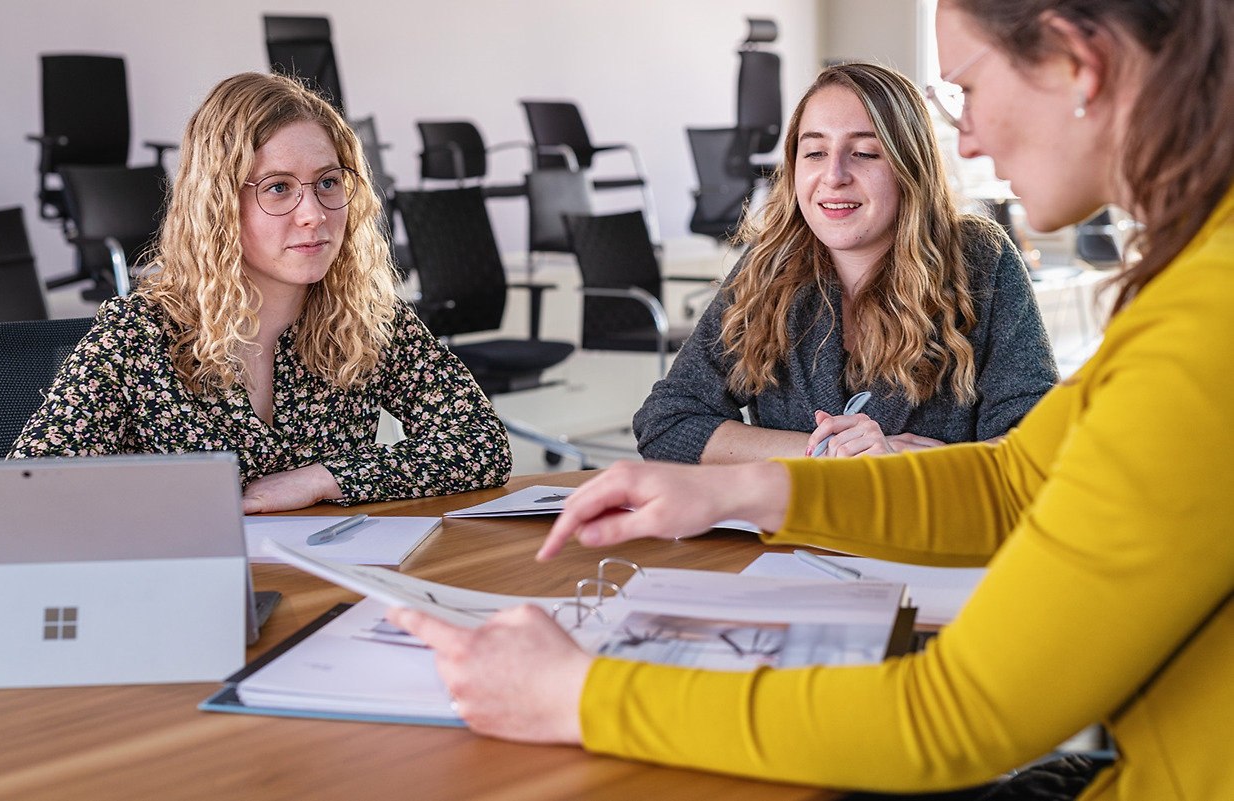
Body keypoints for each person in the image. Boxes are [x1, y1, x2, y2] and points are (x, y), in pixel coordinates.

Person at [390, 2, 1234, 799]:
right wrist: (744, 486)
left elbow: (954, 716)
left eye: (967, 89)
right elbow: (1017, 478)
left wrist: (576, 693)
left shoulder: (1201, 325)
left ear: (1079, 63)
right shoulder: (1196, 280)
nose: (966, 136)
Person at [12, 73, 511, 513]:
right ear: (220, 205)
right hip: (190, 594)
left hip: (331, 585)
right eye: (278, 187)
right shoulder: (138, 334)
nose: (314, 213)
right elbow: (31, 492)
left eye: (328, 182)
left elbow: (480, 442)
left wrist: (323, 479)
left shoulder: (368, 318)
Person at [635, 62, 1056, 464]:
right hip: (794, 532)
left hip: (933, 529)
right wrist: (828, 453)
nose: (834, 174)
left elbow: (1039, 444)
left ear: (910, 166)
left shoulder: (980, 257)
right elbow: (666, 421)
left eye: (865, 153)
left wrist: (921, 463)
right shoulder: (770, 262)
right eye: (815, 152)